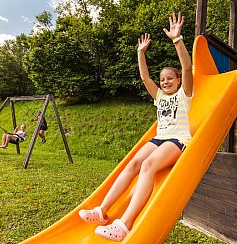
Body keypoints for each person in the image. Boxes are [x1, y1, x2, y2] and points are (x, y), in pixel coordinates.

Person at [78, 12, 193, 242]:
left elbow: (188, 68)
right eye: (163, 79)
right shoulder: (159, 96)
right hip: (159, 138)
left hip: (177, 140)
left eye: (170, 78)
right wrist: (140, 53)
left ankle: (125, 224)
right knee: (133, 164)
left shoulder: (184, 94)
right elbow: (144, 78)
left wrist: (177, 40)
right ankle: (102, 211)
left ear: (178, 80)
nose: (165, 82)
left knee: (148, 165)